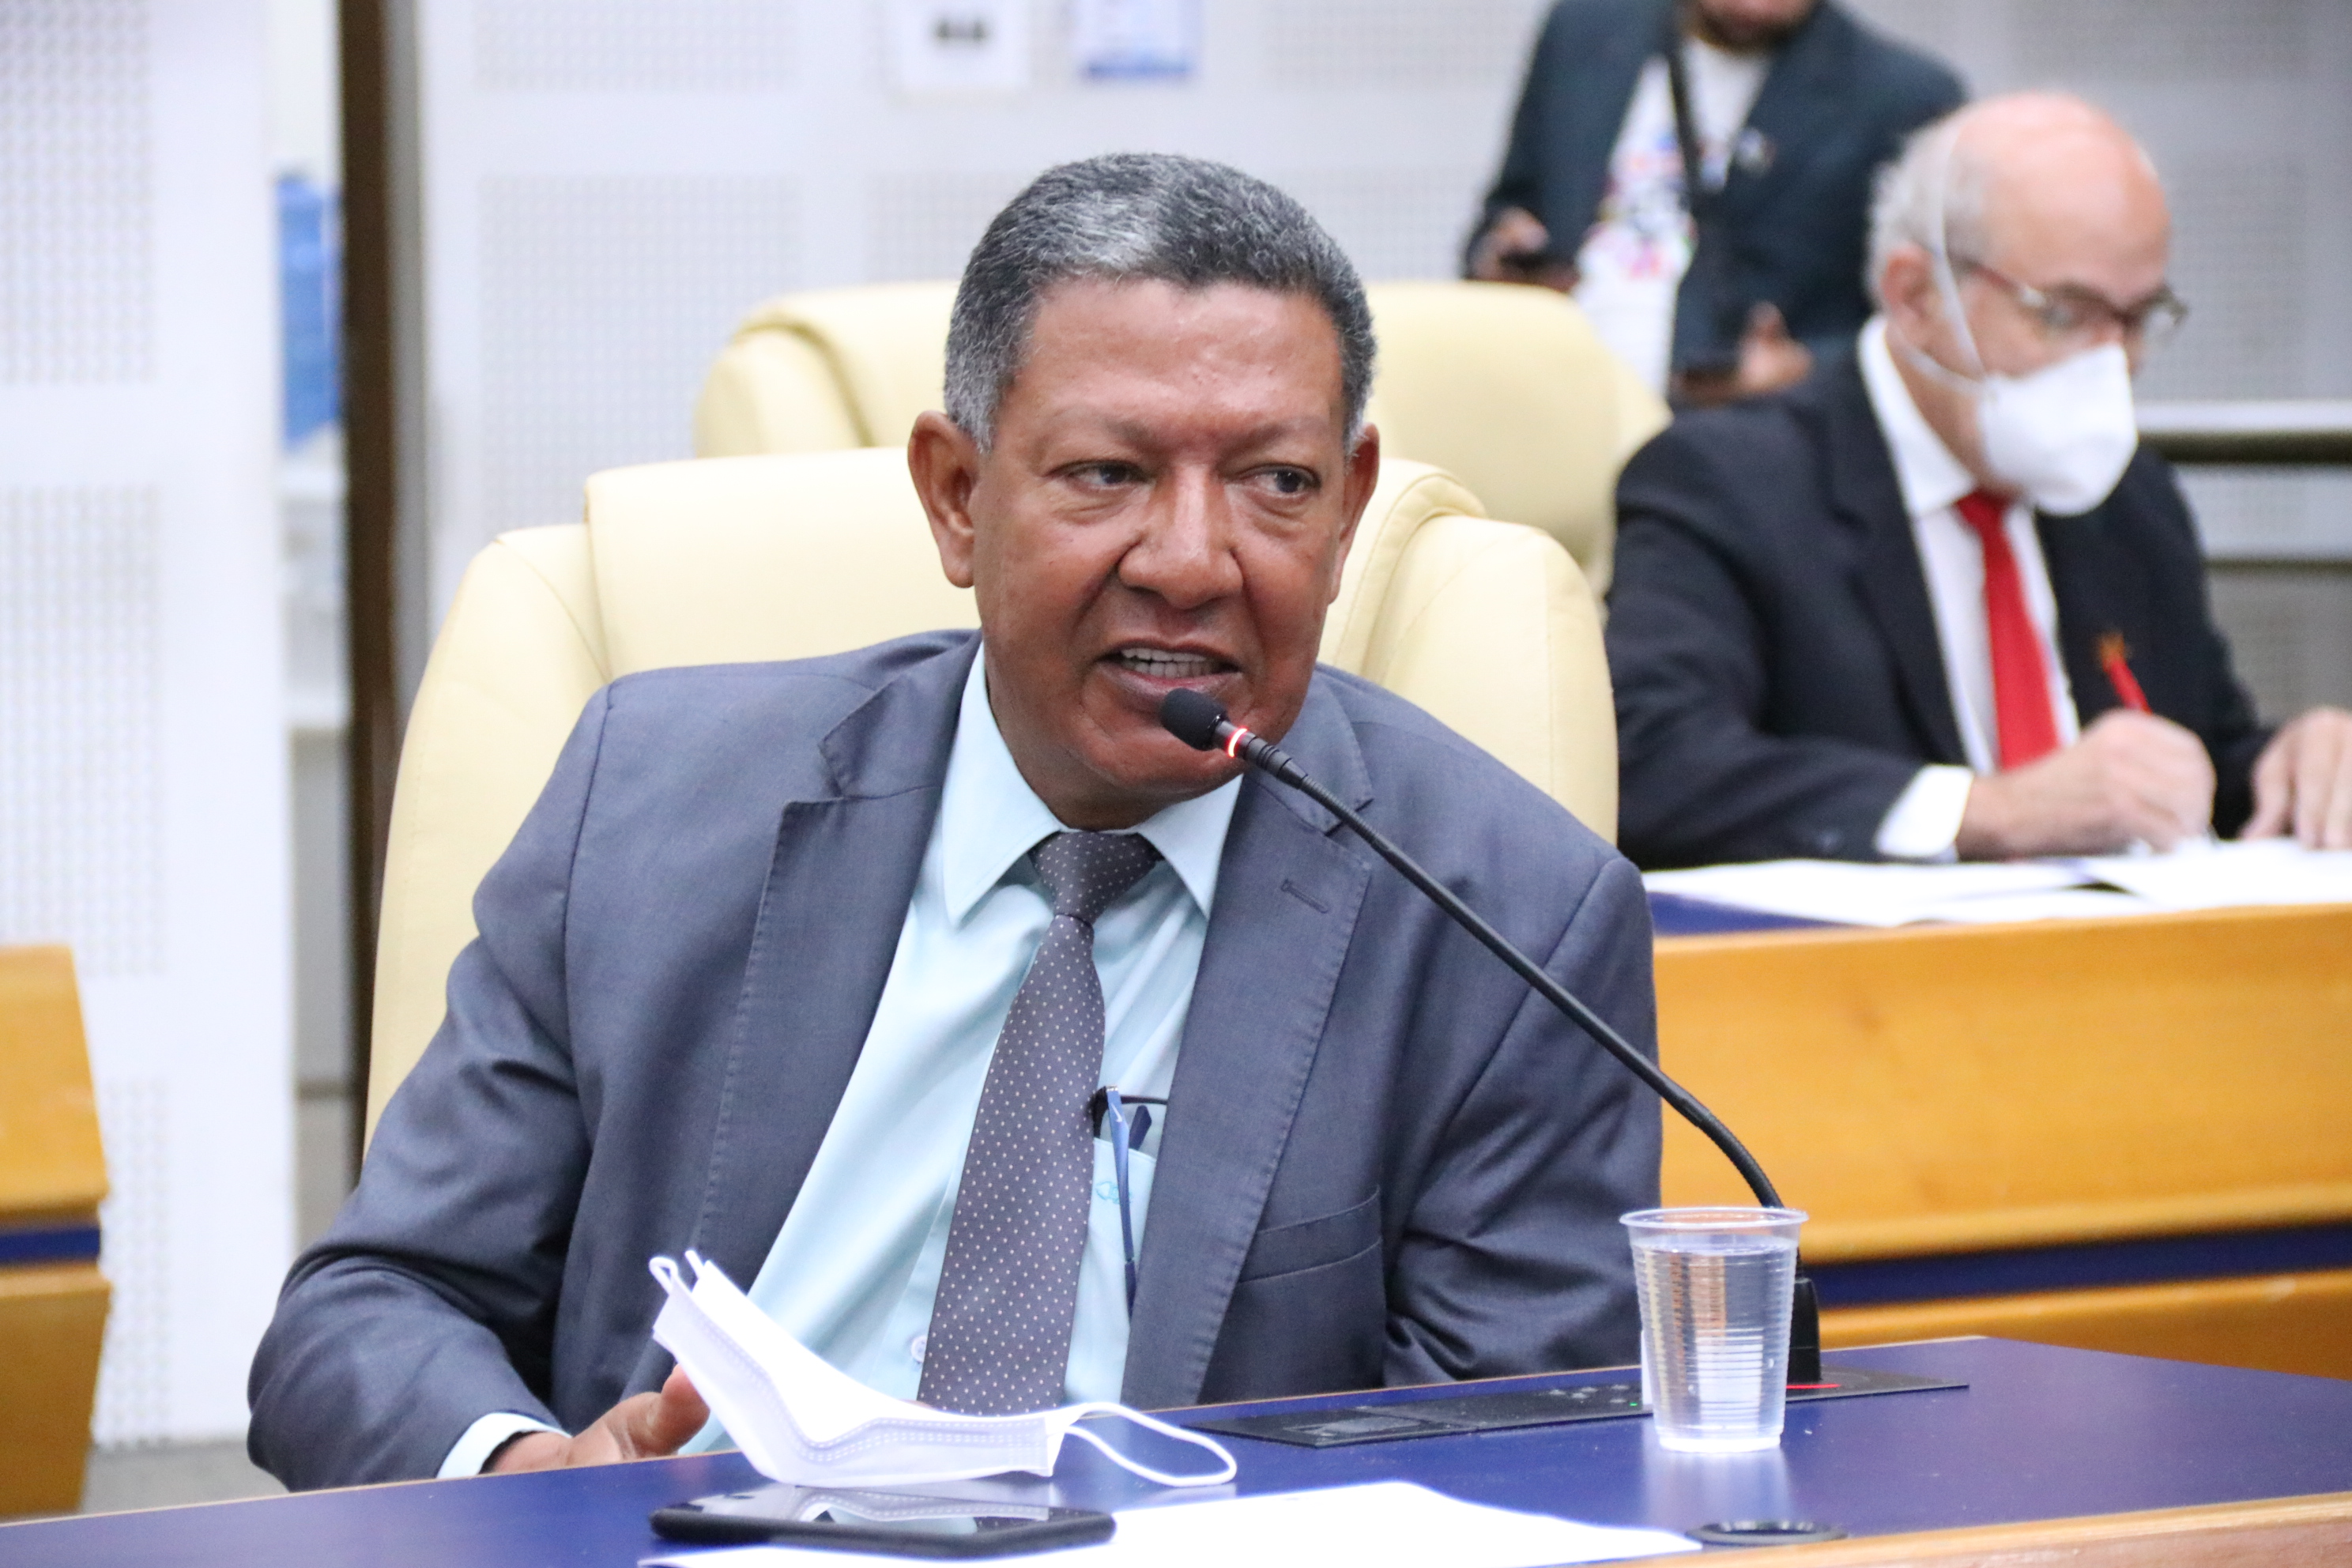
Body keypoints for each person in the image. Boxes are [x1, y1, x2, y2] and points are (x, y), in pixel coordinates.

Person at [247, 154, 1660, 1490]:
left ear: (1346, 512)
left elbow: (1503, 1457)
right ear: (957, 497)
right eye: (1107, 473)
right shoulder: (652, 802)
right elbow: (373, 1306)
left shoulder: (1507, 922)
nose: (1191, 561)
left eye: (1275, 483)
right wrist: (531, 1483)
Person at [1605, 94, 2352, 870]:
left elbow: (2194, 762)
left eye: (2137, 319)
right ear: (1915, 296)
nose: (2113, 361)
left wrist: (2295, 766)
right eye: (2064, 314)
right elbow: (1651, 764)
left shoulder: (2130, 497)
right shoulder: (1729, 482)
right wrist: (1984, 811)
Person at [1467, 0, 1962, 405]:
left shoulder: (1901, 95)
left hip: (1740, 446)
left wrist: (1803, 370)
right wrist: (1504, 256)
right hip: (1551, 409)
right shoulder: (1585, 29)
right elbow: (1507, 208)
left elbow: (1936, 319)